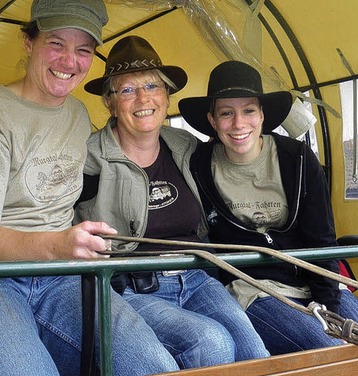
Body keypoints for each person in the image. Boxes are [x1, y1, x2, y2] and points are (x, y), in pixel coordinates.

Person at [0, 1, 180, 375]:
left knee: (151, 364)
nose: (69, 61)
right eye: (56, 44)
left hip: (60, 277)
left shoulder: (77, 116)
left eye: (83, 51)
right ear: (28, 42)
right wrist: (60, 244)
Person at [76, 36, 270, 368]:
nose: (142, 98)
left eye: (152, 86)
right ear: (109, 102)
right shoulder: (88, 159)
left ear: (167, 96)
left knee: (255, 350)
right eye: (126, 90)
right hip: (131, 288)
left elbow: (243, 153)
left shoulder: (186, 147)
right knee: (211, 343)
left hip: (197, 277)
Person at [180, 60, 358, 355]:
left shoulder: (296, 159)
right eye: (227, 113)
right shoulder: (198, 166)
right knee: (327, 351)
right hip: (253, 289)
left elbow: (321, 239)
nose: (238, 124)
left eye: (248, 110)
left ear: (262, 115)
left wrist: (326, 305)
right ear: (212, 120)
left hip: (313, 282)